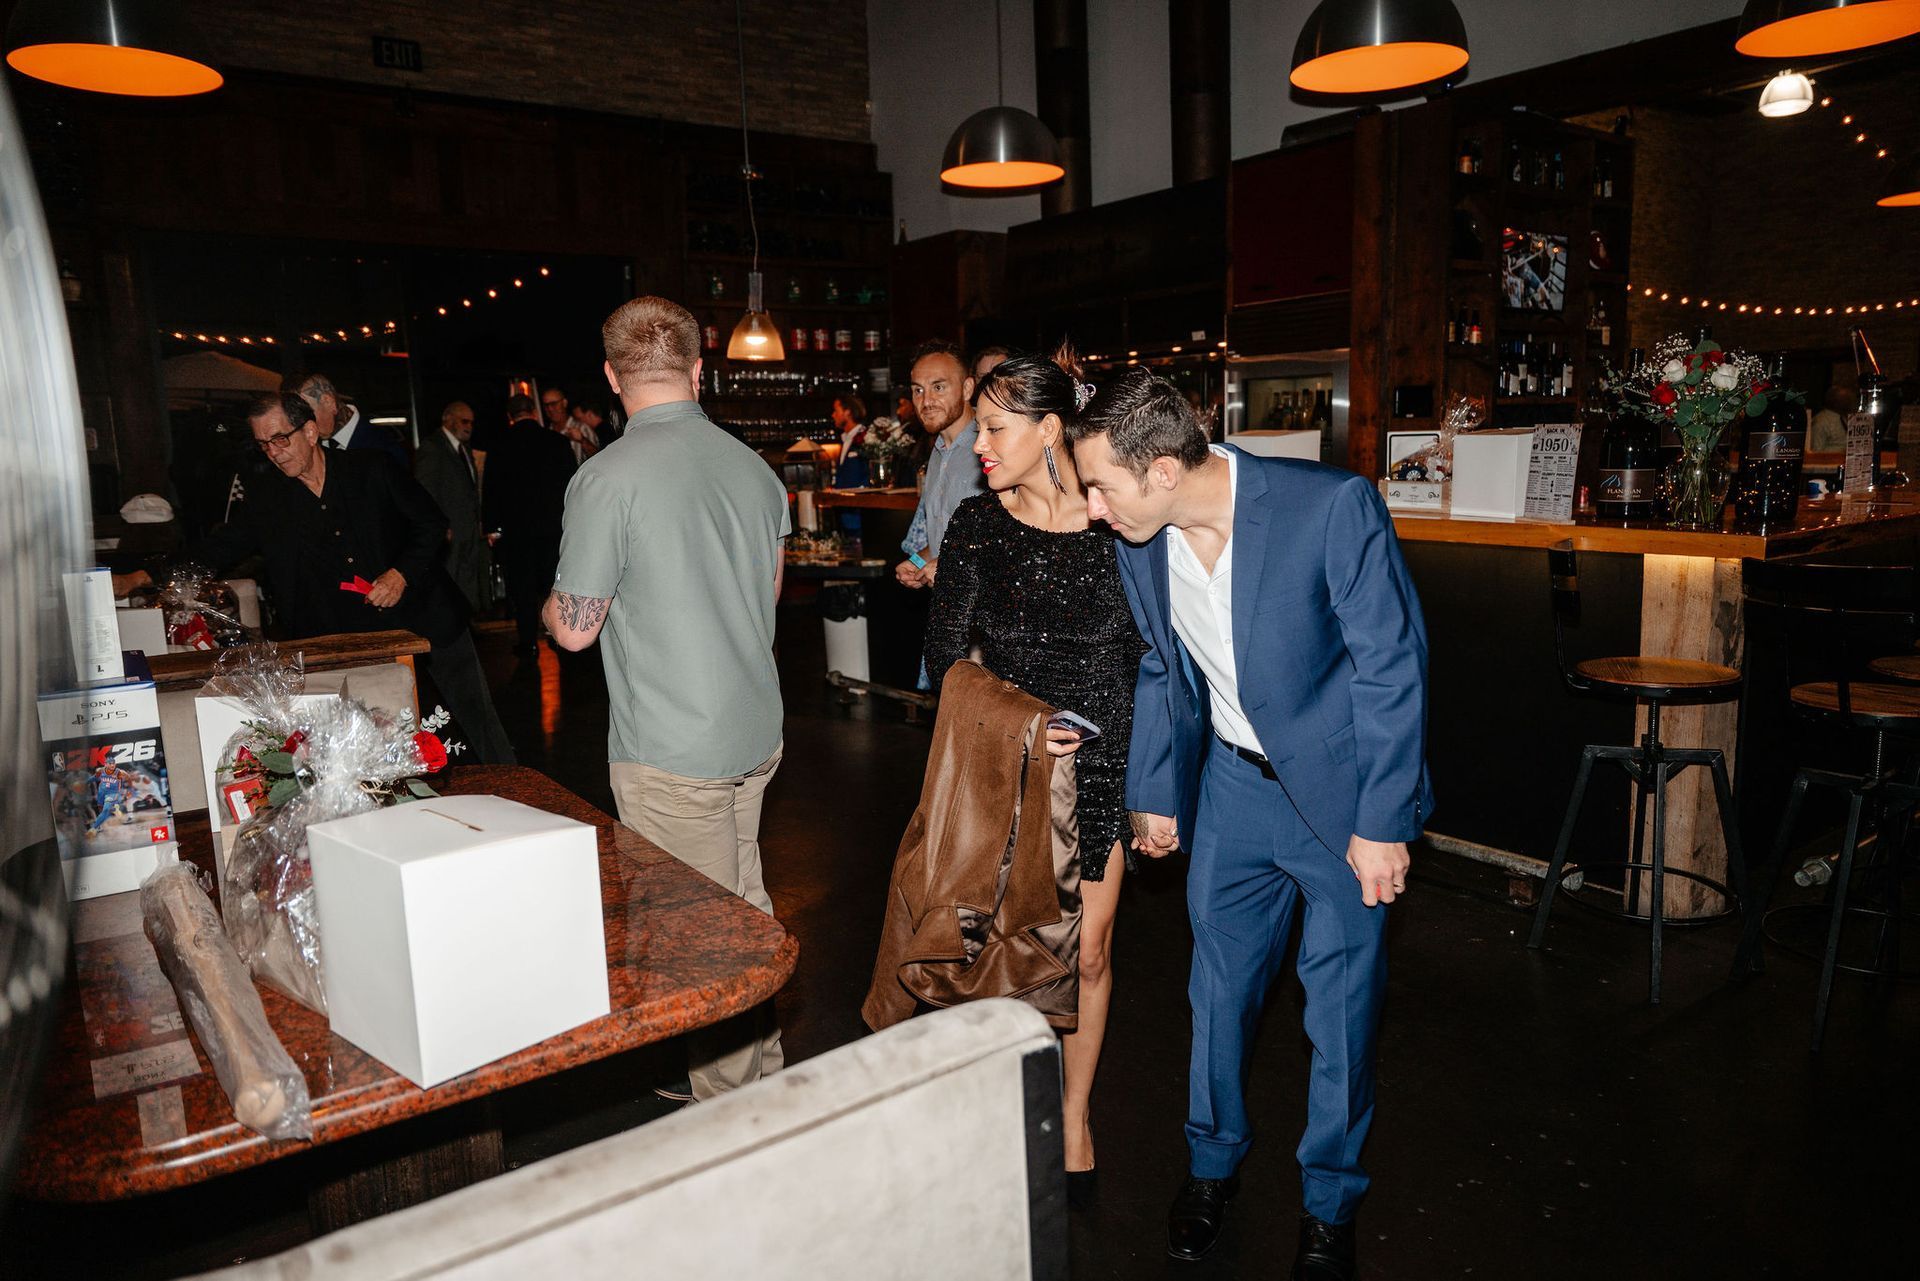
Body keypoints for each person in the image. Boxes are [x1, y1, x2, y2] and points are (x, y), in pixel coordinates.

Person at [1067, 369, 1432, 1279]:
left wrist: (1382, 820)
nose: (1092, 508)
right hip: (1232, 791)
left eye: (1101, 486)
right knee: (1217, 997)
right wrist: (1156, 788)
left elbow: (1392, 667)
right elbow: (1159, 665)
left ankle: (1329, 1202)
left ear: (1159, 470)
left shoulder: (1331, 507)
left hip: (1342, 802)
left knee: (1340, 1013)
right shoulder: (1141, 539)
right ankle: (1211, 1165)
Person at [543, 296, 789, 1103]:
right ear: (697, 370)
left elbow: (575, 631)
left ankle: (729, 1114)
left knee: (701, 933)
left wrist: (549, 607)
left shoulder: (605, 477)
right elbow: (771, 591)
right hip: (754, 728)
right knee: (745, 903)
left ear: (612, 377)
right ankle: (761, 1076)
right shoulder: (754, 468)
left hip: (673, 747)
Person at [922, 344, 1144, 1202]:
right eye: (979, 427)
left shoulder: (1116, 526)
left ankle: (1075, 1116)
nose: (979, 444)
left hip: (1102, 773)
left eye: (993, 427)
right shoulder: (977, 527)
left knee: (1086, 957)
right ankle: (1001, 1116)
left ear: (1049, 428)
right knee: (1007, 964)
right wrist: (1022, 724)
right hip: (1005, 774)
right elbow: (944, 659)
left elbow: (1151, 659)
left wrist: (1149, 785)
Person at [117, 392, 516, 764]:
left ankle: (519, 791)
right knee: (378, 736)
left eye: (280, 439)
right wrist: (142, 575)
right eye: (263, 444)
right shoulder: (269, 499)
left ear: (310, 431)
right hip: (353, 637)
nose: (273, 453)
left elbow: (431, 524)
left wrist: (400, 574)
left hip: (427, 612)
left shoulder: (370, 469)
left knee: (477, 719)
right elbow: (216, 549)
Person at [483, 394, 576, 656]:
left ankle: (529, 642)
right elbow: (571, 487)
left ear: (510, 416)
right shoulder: (557, 442)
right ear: (534, 412)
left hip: (517, 531)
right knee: (553, 584)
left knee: (522, 590)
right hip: (552, 528)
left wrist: (492, 527)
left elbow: (491, 490)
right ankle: (560, 638)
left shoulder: (500, 446)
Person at [894, 341, 990, 592]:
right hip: (947, 606)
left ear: (967, 388)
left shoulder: (990, 446)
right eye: (918, 390)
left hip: (987, 611)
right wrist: (917, 562)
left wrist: (952, 564)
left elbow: (1012, 538)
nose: (926, 401)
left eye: (938, 387)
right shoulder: (938, 452)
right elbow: (941, 542)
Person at [414, 400, 493, 613]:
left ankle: (466, 625)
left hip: (468, 529)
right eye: (464, 421)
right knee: (450, 580)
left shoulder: (464, 449)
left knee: (467, 580)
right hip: (449, 530)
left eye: (471, 422)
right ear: (447, 419)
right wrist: (438, 524)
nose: (468, 426)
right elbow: (424, 491)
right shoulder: (432, 447)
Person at [295, 373, 409, 470]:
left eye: (306, 414)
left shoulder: (384, 447)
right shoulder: (306, 449)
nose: (301, 424)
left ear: (327, 402)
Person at [543, 384, 600, 464]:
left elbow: (599, 459)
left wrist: (582, 440)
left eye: (554, 404)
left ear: (564, 403)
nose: (550, 409)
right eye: (546, 405)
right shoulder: (546, 434)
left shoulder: (582, 428)